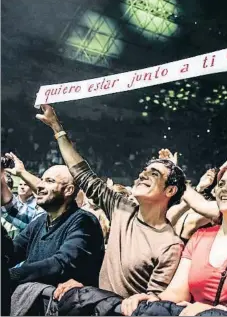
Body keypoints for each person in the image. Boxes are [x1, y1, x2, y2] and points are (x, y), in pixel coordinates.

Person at [36, 105, 185, 300]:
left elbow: (153, 303)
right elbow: (83, 175)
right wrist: (57, 128)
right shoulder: (122, 209)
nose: (143, 175)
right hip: (96, 306)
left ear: (170, 190)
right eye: (144, 171)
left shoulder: (170, 245)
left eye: (154, 174)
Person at [121, 163, 227, 316]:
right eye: (221, 184)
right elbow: (176, 292)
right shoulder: (200, 237)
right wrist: (150, 299)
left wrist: (219, 311)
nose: (224, 188)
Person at [2, 164, 105, 288]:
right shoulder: (40, 222)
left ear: (68, 190)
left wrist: (12, 275)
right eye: (42, 180)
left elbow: (60, 264)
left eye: (49, 181)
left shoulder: (84, 221)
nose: (39, 186)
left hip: (63, 305)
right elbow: (12, 251)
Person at [1, 153, 44, 236]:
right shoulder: (40, 217)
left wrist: (22, 172)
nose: (22, 187)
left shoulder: (38, 206)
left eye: (50, 181)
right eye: (20, 184)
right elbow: (16, 210)